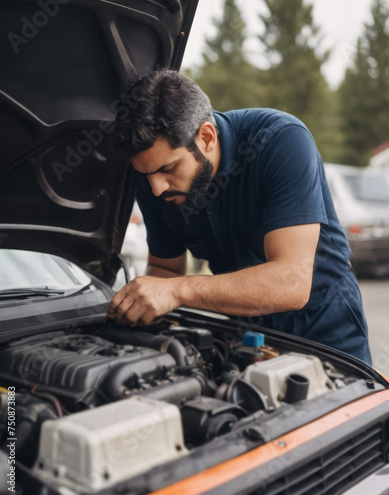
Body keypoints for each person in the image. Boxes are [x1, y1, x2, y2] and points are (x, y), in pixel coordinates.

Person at [107, 69, 372, 364]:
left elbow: (291, 283)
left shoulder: (281, 141)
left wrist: (177, 290)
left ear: (206, 136)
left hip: (325, 334)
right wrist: (143, 303)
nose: (156, 188)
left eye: (167, 169)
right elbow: (164, 269)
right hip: (239, 335)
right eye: (146, 174)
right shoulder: (154, 179)